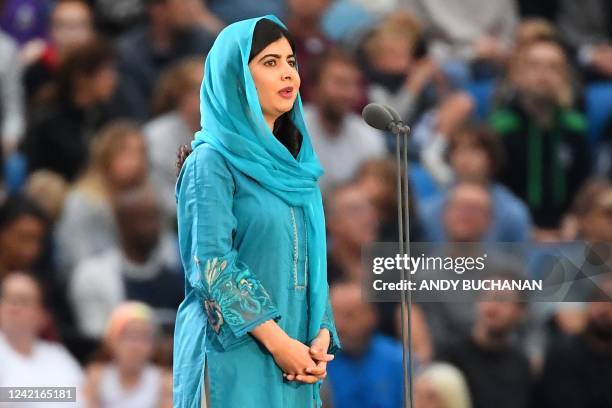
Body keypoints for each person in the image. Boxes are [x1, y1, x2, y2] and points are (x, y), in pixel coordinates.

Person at [173, 16, 340, 408]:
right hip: (235, 354)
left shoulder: (297, 170)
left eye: (291, 62)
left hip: (297, 358)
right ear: (235, 77)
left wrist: (321, 333)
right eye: (270, 62)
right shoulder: (210, 163)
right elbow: (213, 268)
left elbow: (312, 266)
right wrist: (280, 344)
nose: (288, 74)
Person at [70, 183, 182, 339]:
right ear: (121, 224)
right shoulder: (93, 276)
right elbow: (97, 341)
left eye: (155, 217)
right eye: (143, 218)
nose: (152, 227)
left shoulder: (176, 279)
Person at [0, 272, 83, 407]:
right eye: (8, 299)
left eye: (22, 301)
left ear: (42, 315)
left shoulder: (57, 354)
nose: (13, 308)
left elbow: (85, 397)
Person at [326, 281, 404, 408]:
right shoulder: (322, 361)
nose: (339, 326)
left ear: (372, 315)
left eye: (349, 316)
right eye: (333, 317)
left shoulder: (399, 361)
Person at [83, 301, 173, 408]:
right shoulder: (96, 378)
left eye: (144, 337)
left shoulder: (165, 383)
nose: (136, 346)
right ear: (112, 340)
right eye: (129, 336)